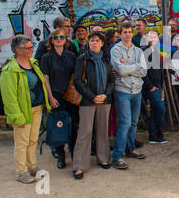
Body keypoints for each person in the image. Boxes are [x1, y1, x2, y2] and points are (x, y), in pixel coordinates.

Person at [0, 35, 50, 184]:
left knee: (33, 139)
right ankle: (21, 172)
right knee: (22, 142)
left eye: (31, 47)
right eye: (27, 48)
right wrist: (17, 116)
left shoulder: (33, 63)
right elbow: (9, 97)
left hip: (36, 108)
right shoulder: (10, 69)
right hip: (23, 111)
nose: (31, 50)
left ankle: (32, 166)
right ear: (17, 50)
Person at [72, 32, 115, 179]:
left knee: (103, 130)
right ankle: (79, 165)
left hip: (105, 100)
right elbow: (77, 81)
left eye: (97, 41)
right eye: (91, 41)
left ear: (102, 43)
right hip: (88, 101)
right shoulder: (82, 60)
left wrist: (105, 95)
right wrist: (92, 96)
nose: (94, 43)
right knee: (85, 131)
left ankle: (103, 158)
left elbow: (111, 80)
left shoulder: (105, 60)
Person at [110, 22, 147, 170]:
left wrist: (128, 68)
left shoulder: (138, 51)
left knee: (133, 122)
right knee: (125, 123)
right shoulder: (115, 50)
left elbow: (144, 71)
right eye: (124, 32)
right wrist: (136, 66)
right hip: (123, 91)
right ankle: (117, 156)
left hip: (137, 90)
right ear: (119, 34)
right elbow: (119, 69)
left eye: (130, 32)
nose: (127, 34)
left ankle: (130, 149)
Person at [40, 28, 78, 169]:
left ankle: (74, 153)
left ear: (66, 39)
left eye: (62, 37)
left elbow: (76, 76)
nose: (59, 40)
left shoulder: (71, 56)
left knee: (73, 125)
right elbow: (45, 79)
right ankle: (61, 155)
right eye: (56, 38)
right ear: (51, 40)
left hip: (70, 95)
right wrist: (50, 97)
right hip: (55, 95)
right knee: (58, 126)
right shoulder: (46, 57)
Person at [142, 29, 179, 143]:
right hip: (149, 87)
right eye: (150, 37)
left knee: (155, 110)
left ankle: (154, 135)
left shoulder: (157, 51)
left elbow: (163, 66)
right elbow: (142, 71)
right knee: (160, 109)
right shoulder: (143, 51)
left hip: (158, 85)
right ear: (146, 39)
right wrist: (150, 86)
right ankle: (158, 130)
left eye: (155, 37)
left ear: (158, 39)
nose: (152, 39)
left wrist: (173, 72)